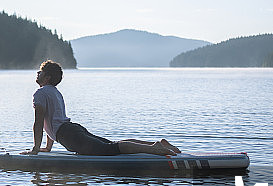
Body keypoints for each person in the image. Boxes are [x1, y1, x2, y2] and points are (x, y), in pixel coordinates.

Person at [22, 60, 181, 156]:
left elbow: (39, 123)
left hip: (68, 135)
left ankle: (155, 149)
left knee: (111, 149)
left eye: (40, 72)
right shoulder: (55, 92)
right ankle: (156, 143)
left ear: (47, 77)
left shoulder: (40, 93)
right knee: (111, 145)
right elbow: (52, 122)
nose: (37, 73)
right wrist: (47, 148)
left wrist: (35, 149)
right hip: (72, 129)